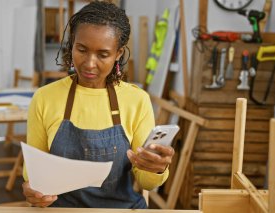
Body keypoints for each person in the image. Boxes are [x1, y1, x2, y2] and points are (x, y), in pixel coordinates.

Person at [22, 1, 174, 209]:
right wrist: (33, 188)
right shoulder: (45, 97)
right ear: (72, 43)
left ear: (118, 54)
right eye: (81, 49)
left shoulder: (136, 100)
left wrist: (156, 168)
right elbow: (33, 170)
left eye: (102, 54)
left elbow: (146, 182)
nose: (89, 63)